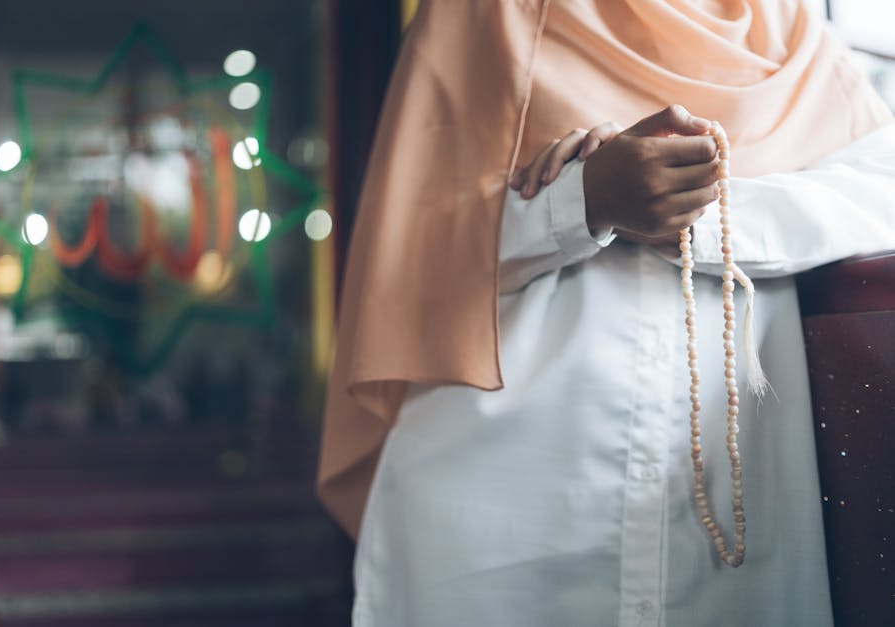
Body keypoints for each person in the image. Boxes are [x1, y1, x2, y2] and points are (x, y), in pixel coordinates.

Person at [318, 1, 895, 625]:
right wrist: (583, 198)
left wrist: (695, 204)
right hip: (506, 497)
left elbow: (878, 192)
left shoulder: (784, 25)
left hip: (738, 491)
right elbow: (412, 240)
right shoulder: (479, 13)